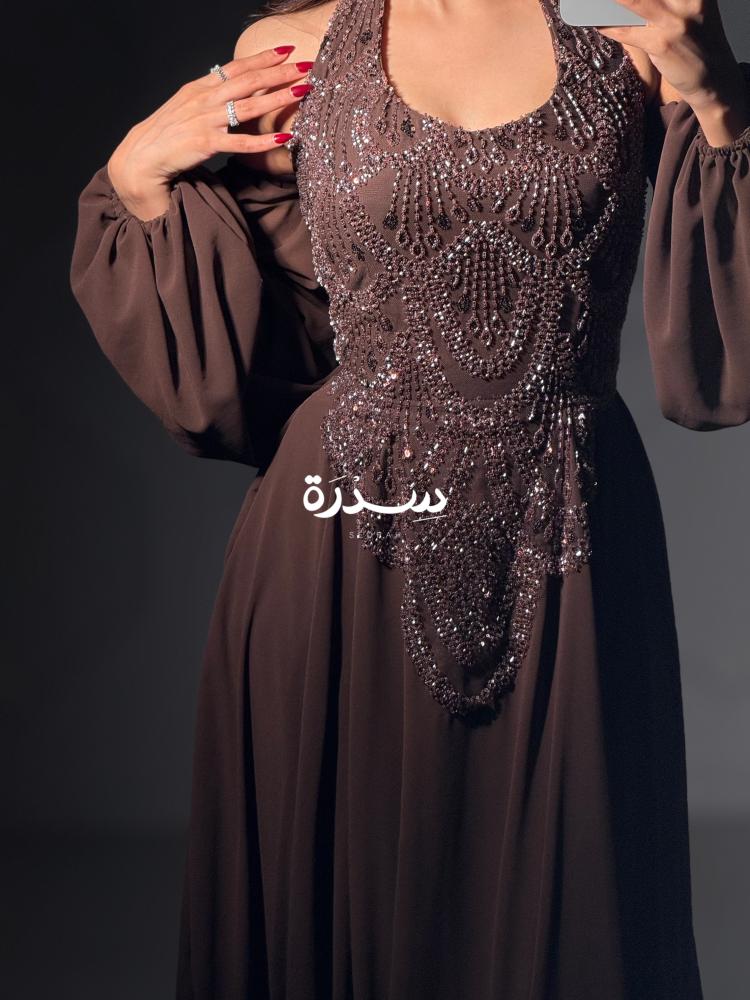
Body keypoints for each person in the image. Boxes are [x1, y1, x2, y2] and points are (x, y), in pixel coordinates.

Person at [69, 1, 750, 997]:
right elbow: (251, 360)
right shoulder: (294, 53)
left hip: (570, 535)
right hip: (337, 549)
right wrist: (133, 180)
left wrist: (723, 102)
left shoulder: (635, 23)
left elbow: (727, 345)